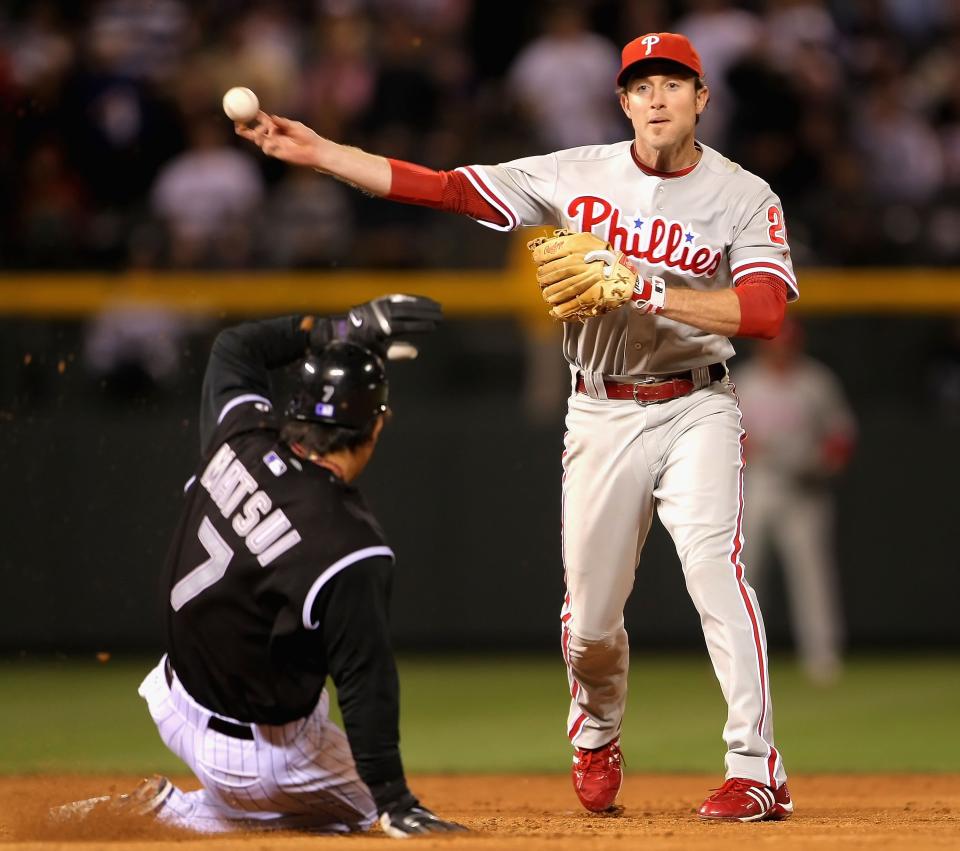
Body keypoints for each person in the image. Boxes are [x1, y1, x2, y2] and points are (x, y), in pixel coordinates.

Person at [237, 31, 796, 822]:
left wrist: (645, 289)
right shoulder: (575, 174)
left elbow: (766, 312)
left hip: (698, 401)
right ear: (624, 101)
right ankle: (597, 728)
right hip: (600, 408)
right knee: (591, 625)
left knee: (718, 573)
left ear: (703, 98)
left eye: (674, 83)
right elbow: (446, 189)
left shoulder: (744, 194)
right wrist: (325, 151)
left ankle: (755, 768)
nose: (658, 98)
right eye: (642, 86)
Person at [55, 295, 467, 838]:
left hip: (174, 700)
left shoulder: (242, 436)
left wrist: (338, 327)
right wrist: (392, 798)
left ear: (296, 408)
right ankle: (188, 814)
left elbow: (235, 347)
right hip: (262, 755)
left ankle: (197, 807)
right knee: (356, 818)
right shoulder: (348, 543)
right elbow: (365, 682)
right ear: (376, 427)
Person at [735, 319, 856, 685]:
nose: (781, 349)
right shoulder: (745, 380)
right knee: (744, 575)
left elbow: (840, 435)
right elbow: (725, 431)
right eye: (775, 342)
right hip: (757, 484)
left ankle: (821, 655)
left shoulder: (815, 381)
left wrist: (826, 463)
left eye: (787, 342)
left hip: (805, 487)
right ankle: (739, 661)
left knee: (812, 574)